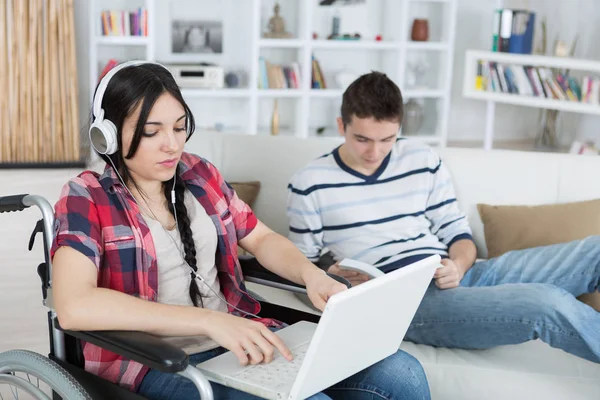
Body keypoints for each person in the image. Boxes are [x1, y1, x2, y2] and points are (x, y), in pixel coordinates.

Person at [50, 61, 431, 400]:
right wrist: (209, 322)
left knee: (402, 372)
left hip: (243, 338)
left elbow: (261, 238)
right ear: (109, 136)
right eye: (152, 131)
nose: (173, 144)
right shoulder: (87, 196)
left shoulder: (201, 174)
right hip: (155, 363)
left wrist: (311, 274)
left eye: (180, 127)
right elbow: (74, 305)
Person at [287, 71, 600, 364]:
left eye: (387, 139)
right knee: (544, 304)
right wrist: (334, 275)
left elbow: (457, 233)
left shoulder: (422, 159)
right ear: (342, 126)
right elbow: (301, 269)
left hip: (453, 275)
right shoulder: (310, 182)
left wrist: (458, 266)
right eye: (362, 139)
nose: (375, 153)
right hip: (403, 304)